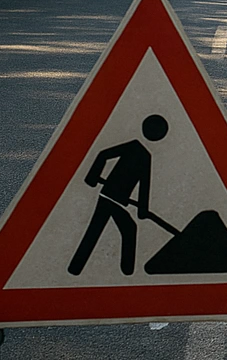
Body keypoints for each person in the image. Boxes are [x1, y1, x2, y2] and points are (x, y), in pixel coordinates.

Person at [67, 114, 169, 276]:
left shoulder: (142, 153)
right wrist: (92, 176)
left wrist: (142, 209)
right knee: (122, 229)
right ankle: (127, 273)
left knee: (98, 231)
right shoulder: (139, 152)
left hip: (112, 198)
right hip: (111, 198)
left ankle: (76, 268)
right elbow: (103, 154)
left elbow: (144, 185)